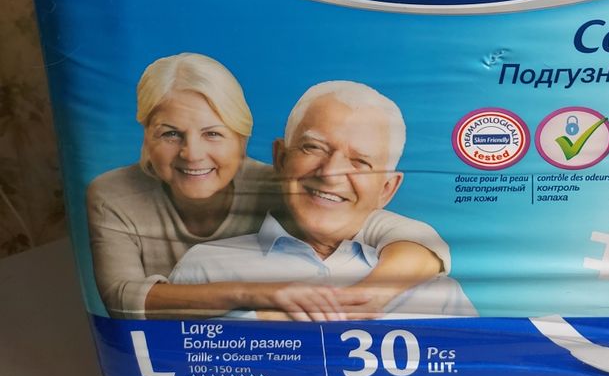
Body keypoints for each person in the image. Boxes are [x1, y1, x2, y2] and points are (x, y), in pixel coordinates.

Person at [88, 54, 450, 320]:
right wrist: (258, 294)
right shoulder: (114, 196)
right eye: (170, 134)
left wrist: (371, 294)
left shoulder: (283, 183)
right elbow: (121, 299)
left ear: (242, 139)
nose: (192, 154)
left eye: (213, 133)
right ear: (146, 135)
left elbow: (395, 228)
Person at [170, 81, 476, 319]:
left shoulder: (433, 292)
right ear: (280, 158)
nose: (330, 174)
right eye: (313, 148)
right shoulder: (205, 268)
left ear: (386, 189)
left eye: (360, 162)